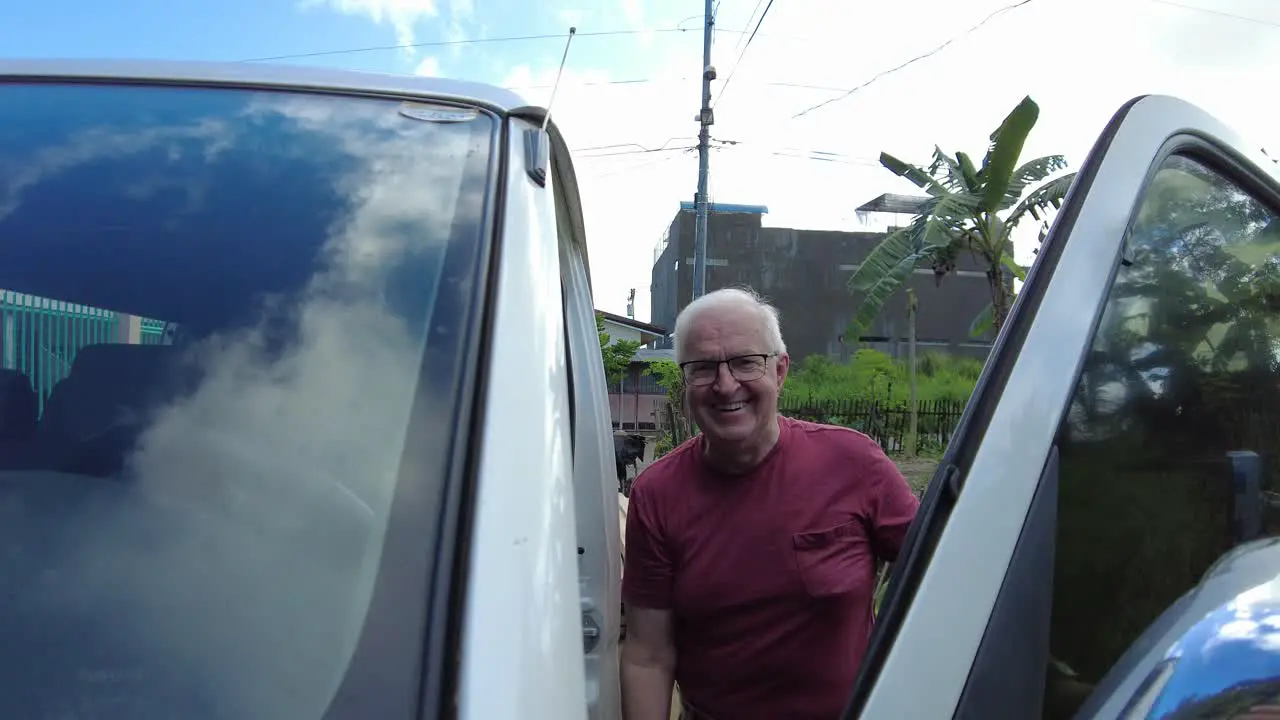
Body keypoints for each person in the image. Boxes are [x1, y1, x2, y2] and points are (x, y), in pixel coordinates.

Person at [620, 287, 921, 720]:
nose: (725, 386)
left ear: (780, 371)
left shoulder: (854, 464)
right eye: (703, 368)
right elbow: (649, 655)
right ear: (685, 383)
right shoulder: (657, 495)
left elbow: (939, 580)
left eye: (746, 362)